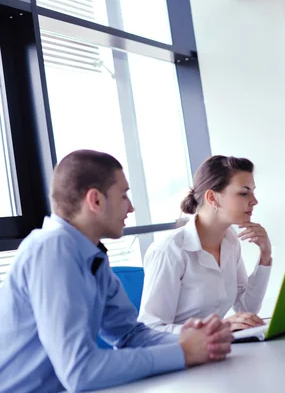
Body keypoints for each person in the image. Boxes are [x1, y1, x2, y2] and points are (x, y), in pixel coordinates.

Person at [0, 150, 232, 393]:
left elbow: (130, 335)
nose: (131, 208)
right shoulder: (53, 250)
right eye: (123, 195)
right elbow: (80, 371)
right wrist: (182, 352)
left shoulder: (91, 254)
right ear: (96, 200)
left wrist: (200, 339)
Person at [138, 155, 272, 333]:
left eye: (253, 191)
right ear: (212, 198)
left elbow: (246, 310)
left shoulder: (230, 241)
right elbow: (151, 328)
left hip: (214, 350)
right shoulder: (169, 251)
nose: (254, 201)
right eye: (244, 192)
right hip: (179, 355)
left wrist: (265, 256)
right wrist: (218, 327)